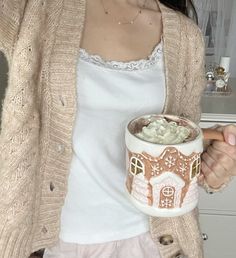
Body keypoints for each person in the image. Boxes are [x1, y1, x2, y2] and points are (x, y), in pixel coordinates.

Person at [0, 0, 235, 258]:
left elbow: (178, 139)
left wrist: (214, 161)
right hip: (60, 245)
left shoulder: (185, 36)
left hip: (155, 243)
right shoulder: (36, 9)